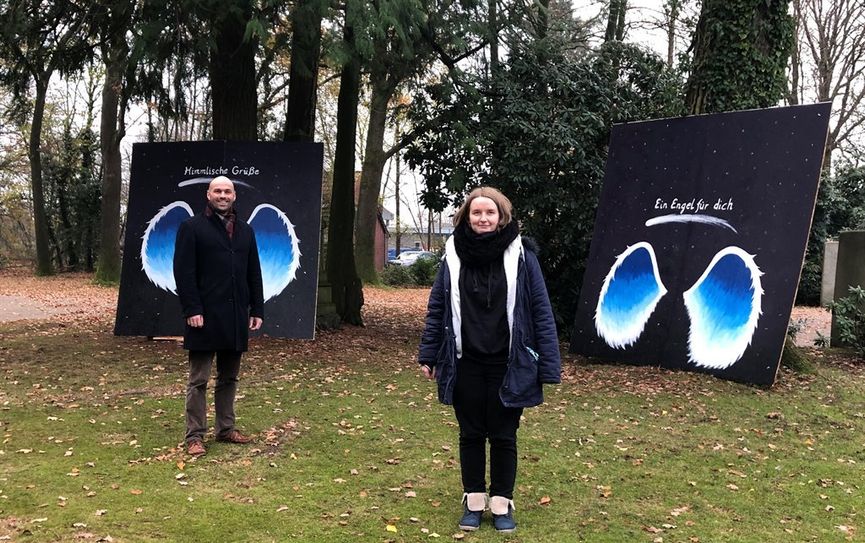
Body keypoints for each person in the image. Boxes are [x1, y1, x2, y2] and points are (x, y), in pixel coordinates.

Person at [418, 186, 561, 533]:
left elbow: (541, 310)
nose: (483, 218)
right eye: (476, 213)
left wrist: (549, 364)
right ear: (467, 217)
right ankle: (473, 500)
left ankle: (501, 504)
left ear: (502, 217)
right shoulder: (452, 255)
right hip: (464, 360)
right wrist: (428, 352)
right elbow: (438, 307)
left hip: (509, 362)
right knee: (470, 433)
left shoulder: (523, 256)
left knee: (503, 434)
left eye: (490, 212)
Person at [173, 176, 264, 457]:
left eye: (227, 191)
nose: (223, 195)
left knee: (229, 378)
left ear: (234, 195)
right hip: (203, 316)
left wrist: (257, 309)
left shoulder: (246, 231)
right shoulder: (191, 228)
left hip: (235, 316)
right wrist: (192, 309)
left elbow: (253, 272)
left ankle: (226, 429)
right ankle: (194, 436)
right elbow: (183, 272)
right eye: (218, 191)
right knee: (198, 380)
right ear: (208, 194)